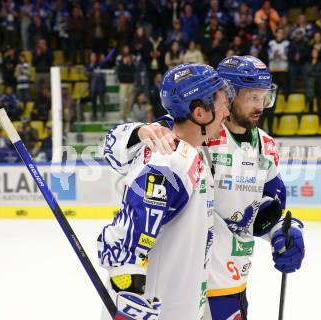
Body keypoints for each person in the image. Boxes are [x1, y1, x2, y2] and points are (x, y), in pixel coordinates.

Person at [103, 56, 305, 320]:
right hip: (184, 286)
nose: (260, 106)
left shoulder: (266, 147)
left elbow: (266, 212)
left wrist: (284, 232)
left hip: (231, 283)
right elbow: (121, 152)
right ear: (228, 96)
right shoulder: (193, 134)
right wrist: (140, 130)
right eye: (252, 97)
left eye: (264, 97)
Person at [99, 63, 232, 320]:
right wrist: (128, 296)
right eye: (221, 104)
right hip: (158, 311)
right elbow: (129, 232)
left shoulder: (189, 152)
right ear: (200, 113)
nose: (226, 112)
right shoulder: (172, 160)